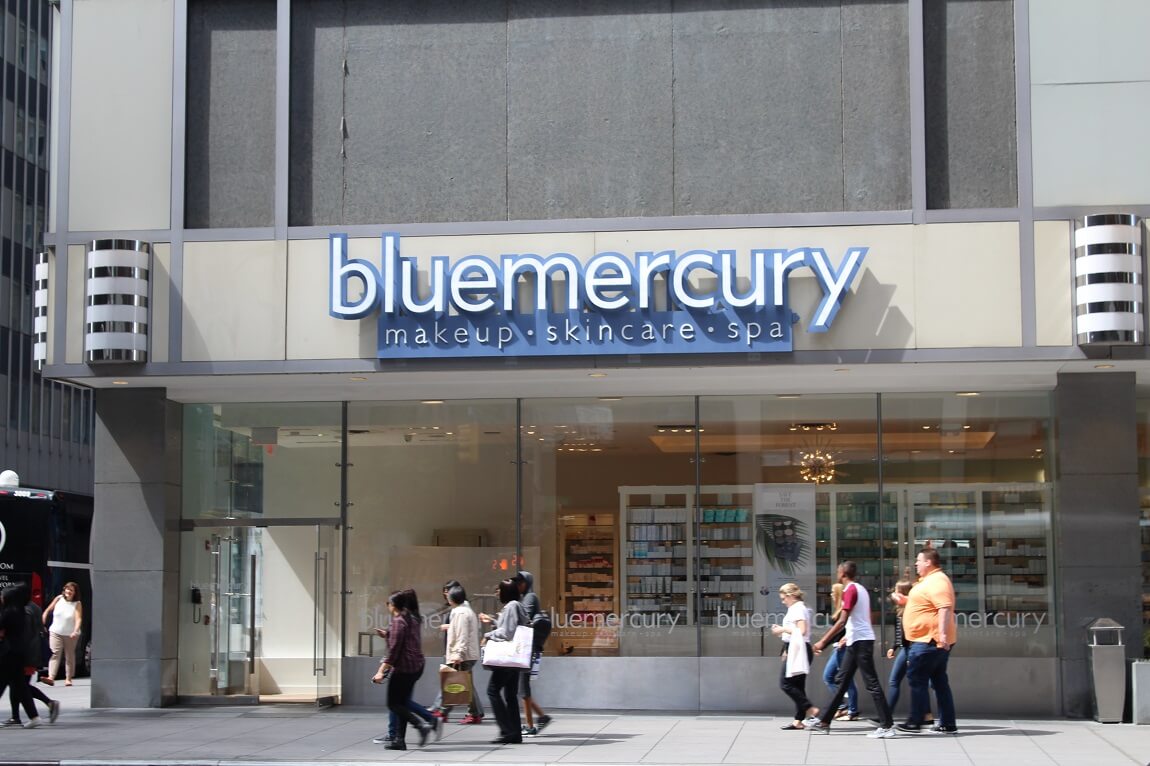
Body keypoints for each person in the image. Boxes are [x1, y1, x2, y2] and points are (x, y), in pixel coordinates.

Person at [810, 561, 896, 738]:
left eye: (838, 571)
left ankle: (887, 726)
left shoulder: (850, 590)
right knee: (841, 681)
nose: (836, 574)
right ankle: (824, 721)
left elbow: (842, 620)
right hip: (856, 641)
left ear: (843, 573)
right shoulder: (861, 589)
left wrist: (822, 642)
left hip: (860, 643)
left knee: (871, 683)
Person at [897, 548, 958, 734]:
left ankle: (916, 721)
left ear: (928, 562)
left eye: (919, 560)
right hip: (929, 640)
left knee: (917, 679)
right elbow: (927, 603)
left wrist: (942, 636)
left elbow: (944, 607)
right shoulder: (929, 581)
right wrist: (906, 600)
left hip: (929, 640)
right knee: (939, 681)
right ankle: (947, 723)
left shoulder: (937, 581)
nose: (916, 564)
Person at [371, 589, 433, 751]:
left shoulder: (398, 621)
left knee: (393, 704)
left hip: (404, 668)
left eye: (389, 603)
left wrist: (381, 671)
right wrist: (388, 634)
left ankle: (420, 726)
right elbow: (402, 640)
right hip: (415, 667)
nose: (388, 606)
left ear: (393, 605)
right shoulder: (412, 618)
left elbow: (393, 651)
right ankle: (399, 740)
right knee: (402, 703)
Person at [480, 578, 527, 745]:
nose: (497, 593)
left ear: (506, 591)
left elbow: (507, 633)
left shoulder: (512, 606)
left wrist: (487, 635)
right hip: (513, 659)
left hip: (507, 658)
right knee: (510, 695)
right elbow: (508, 628)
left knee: (493, 691)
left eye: (499, 590)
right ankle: (515, 733)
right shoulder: (515, 605)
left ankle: (507, 730)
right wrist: (493, 621)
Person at [770, 583, 818, 730]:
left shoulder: (797, 609)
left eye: (784, 598)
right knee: (798, 685)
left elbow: (801, 630)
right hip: (797, 648)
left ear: (790, 596)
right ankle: (799, 720)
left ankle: (810, 708)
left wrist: (782, 629)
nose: (783, 601)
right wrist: (785, 648)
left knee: (786, 683)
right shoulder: (798, 608)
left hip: (798, 649)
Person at [886, 579, 931, 722]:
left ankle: (887, 715)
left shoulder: (910, 611)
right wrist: (893, 647)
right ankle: (927, 714)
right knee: (918, 682)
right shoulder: (900, 610)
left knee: (896, 681)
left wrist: (910, 655)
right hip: (906, 648)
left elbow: (912, 634)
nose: (894, 594)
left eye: (897, 591)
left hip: (909, 649)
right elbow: (900, 633)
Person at [514, 571, 552, 737]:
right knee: (522, 688)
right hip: (527, 648)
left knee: (523, 688)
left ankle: (530, 726)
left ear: (527, 583)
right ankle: (542, 717)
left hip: (527, 649)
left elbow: (524, 619)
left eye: (520, 582)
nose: (518, 585)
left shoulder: (530, 597)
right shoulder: (525, 598)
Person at [442, 583, 484, 724]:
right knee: (465, 684)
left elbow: (462, 635)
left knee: (464, 685)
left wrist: (458, 654)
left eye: (448, 595)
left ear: (452, 598)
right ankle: (474, 713)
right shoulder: (464, 610)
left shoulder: (460, 613)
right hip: (466, 654)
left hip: (463, 656)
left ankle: (473, 714)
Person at [17, 586, 59, 725]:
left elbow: (25, 634)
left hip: (26, 654)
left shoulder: (25, 610)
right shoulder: (34, 607)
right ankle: (47, 705)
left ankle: (41, 709)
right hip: (33, 653)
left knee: (20, 685)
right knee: (20, 685)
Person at [820, 582, 859, 722]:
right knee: (828, 676)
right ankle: (842, 705)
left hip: (844, 648)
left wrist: (846, 637)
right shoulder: (838, 609)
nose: (830, 594)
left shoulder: (845, 610)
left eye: (832, 592)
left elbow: (848, 627)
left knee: (847, 680)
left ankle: (852, 710)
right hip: (837, 648)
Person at [0, 586, 38, 727]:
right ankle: (34, 716)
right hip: (19, 653)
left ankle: (33, 717)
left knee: (3, 683)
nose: (1, 597)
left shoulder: (8, 612)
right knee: (21, 686)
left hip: (7, 654)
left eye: (2, 595)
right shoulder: (21, 612)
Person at [42, 582, 83, 687]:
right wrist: (43, 619)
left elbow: (78, 619)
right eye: (67, 589)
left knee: (69, 655)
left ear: (75, 593)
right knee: (54, 653)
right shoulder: (59, 598)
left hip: (70, 634)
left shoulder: (77, 603)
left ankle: (68, 679)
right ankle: (51, 677)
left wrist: (75, 631)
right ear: (64, 590)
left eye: (71, 590)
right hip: (55, 631)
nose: (68, 592)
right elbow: (48, 610)